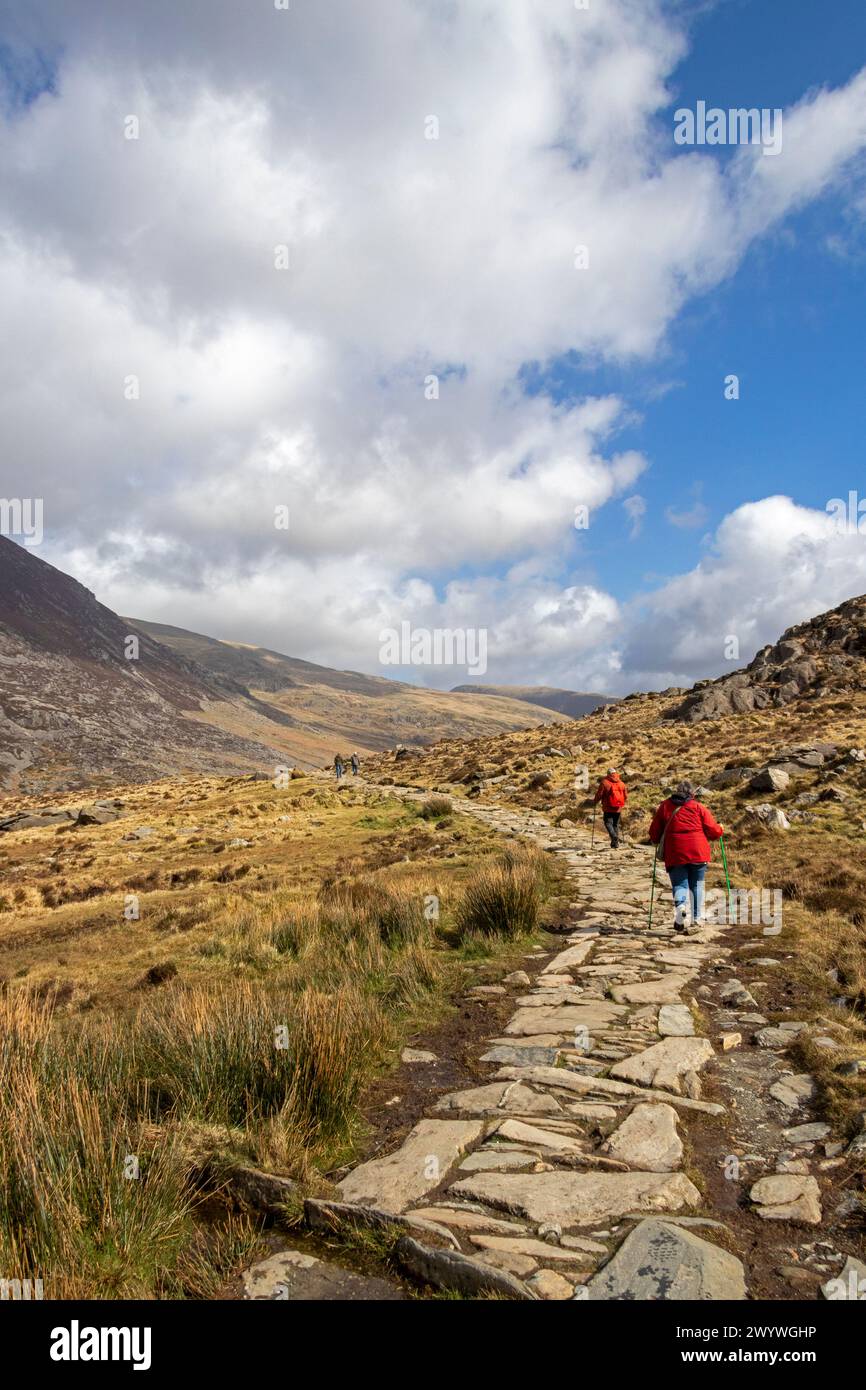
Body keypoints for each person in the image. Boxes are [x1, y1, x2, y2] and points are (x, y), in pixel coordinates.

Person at [649, 780, 723, 933]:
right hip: (698, 851)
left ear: (677, 791)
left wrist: (656, 840)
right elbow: (713, 831)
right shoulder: (697, 807)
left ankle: (681, 907)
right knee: (697, 885)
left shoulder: (665, 806)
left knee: (679, 883)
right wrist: (720, 829)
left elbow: (654, 831)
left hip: (675, 851)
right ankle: (696, 918)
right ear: (692, 794)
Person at [594, 767, 628, 848]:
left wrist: (595, 801)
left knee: (608, 823)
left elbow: (599, 794)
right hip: (618, 808)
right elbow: (625, 796)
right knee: (615, 824)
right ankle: (615, 844)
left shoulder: (604, 782)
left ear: (608, 774)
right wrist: (621, 803)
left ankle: (614, 836)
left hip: (608, 807)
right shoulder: (622, 783)